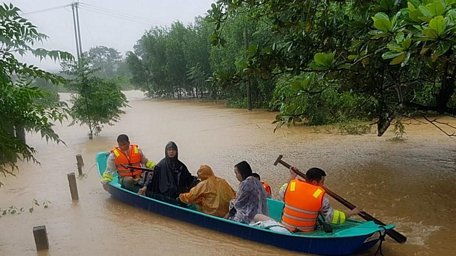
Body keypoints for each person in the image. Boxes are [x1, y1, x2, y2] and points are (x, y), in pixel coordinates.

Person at [281, 167, 360, 232]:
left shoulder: (290, 186)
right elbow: (332, 217)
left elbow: (283, 193)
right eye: (322, 182)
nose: (323, 184)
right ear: (315, 182)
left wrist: (293, 175)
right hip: (306, 232)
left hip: (285, 228)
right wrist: (352, 213)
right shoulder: (320, 196)